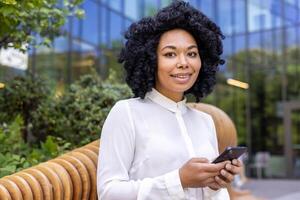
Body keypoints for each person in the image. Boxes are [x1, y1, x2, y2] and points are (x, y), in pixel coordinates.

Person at [97, 1, 242, 199]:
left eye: (191, 53)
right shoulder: (126, 113)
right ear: (151, 60)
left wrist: (215, 184)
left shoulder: (205, 121)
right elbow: (108, 192)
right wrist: (179, 180)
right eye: (170, 54)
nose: (183, 63)